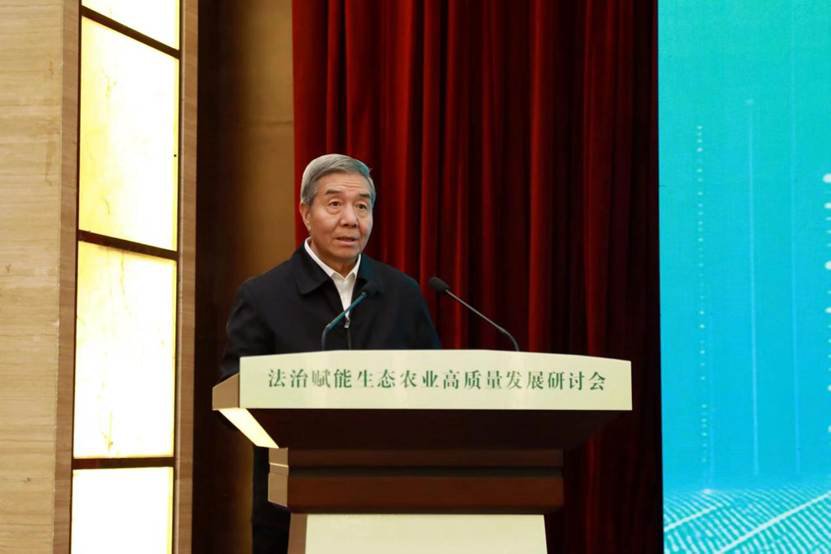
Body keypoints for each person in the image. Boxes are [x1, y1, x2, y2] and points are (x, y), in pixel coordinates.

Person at [219, 153, 440, 553]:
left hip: (390, 505)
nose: (351, 219)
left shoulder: (402, 295)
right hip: (291, 510)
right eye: (334, 204)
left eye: (362, 206)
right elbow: (232, 395)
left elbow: (434, 389)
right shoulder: (263, 297)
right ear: (306, 212)